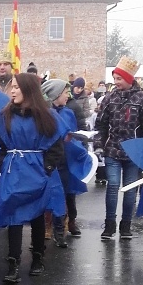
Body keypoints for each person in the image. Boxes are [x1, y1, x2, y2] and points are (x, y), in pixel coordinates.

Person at [0, 73, 66, 283]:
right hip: (14, 169)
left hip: (37, 169)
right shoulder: (5, 115)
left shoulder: (46, 116)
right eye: (12, 87)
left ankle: (37, 257)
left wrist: (47, 168)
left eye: (17, 87)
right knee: (14, 215)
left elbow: (56, 146)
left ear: (28, 90)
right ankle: (13, 261)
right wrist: (1, 162)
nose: (13, 91)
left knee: (37, 214)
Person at [95, 56, 143, 240]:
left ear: (129, 79)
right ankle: (109, 224)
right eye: (114, 78)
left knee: (129, 189)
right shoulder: (109, 98)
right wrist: (99, 145)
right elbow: (101, 125)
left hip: (133, 153)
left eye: (119, 78)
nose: (115, 82)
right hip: (113, 149)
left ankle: (126, 224)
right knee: (113, 185)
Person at [42, 79, 89, 242]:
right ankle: (50, 226)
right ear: (55, 95)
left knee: (67, 193)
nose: (68, 96)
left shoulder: (69, 112)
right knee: (51, 193)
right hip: (50, 158)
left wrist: (78, 141)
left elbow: (73, 132)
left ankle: (63, 226)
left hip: (66, 159)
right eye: (64, 93)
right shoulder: (44, 113)